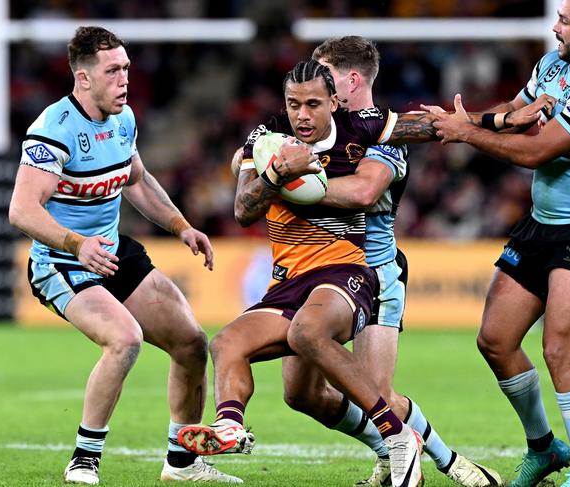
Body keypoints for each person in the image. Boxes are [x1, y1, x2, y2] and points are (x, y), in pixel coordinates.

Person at [179, 59, 431, 487]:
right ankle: (229, 425)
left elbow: (424, 129)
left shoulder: (362, 129)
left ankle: (396, 435)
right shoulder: (266, 139)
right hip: (287, 281)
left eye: (313, 104)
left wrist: (496, 119)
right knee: (226, 342)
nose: (302, 115)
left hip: (345, 268)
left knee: (306, 333)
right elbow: (242, 210)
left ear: (335, 102)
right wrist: (278, 172)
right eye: (293, 104)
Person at [8, 26, 240, 485]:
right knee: (125, 339)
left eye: (127, 69)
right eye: (113, 70)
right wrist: (77, 244)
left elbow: (136, 180)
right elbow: (20, 210)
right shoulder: (54, 131)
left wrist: (181, 226)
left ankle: (182, 463)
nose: (125, 79)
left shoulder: (123, 120)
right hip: (63, 262)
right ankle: (84, 460)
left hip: (111, 253)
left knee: (191, 342)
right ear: (83, 78)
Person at [275, 35, 504, 487]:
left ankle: (448, 460)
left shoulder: (382, 135)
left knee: (373, 394)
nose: (316, 88)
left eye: (327, 77)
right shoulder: (316, 127)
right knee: (299, 394)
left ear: (352, 80)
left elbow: (362, 192)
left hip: (371, 273)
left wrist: (284, 183)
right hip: (314, 269)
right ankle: (392, 448)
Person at [431, 1, 570, 486]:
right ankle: (544, 448)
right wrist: (488, 119)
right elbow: (513, 113)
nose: (555, 27)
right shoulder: (552, 64)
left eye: (565, 22)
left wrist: (467, 134)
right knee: (495, 340)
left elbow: (536, 151)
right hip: (539, 223)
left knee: (559, 352)